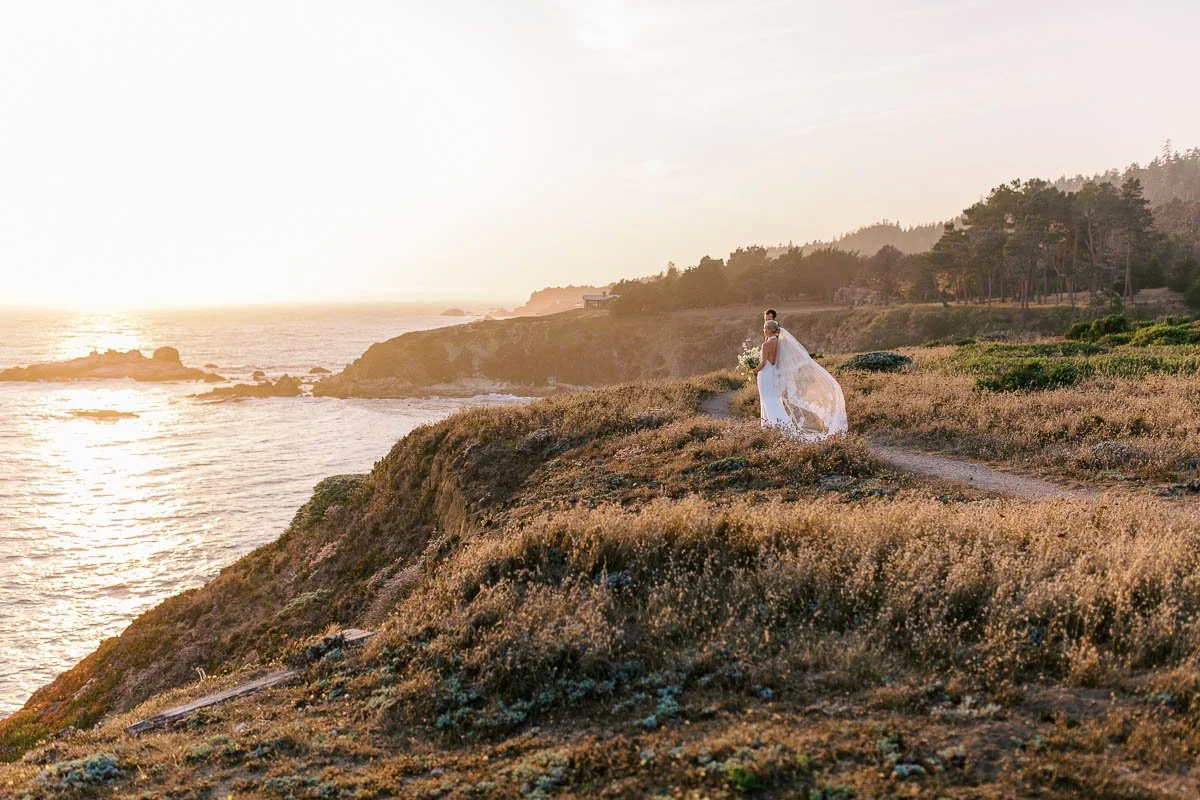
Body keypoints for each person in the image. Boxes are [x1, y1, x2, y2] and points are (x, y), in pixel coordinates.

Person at [754, 318, 847, 441]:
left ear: (771, 330)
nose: (764, 330)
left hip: (765, 372)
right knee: (771, 398)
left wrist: (753, 370)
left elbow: (763, 362)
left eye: (766, 328)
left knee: (767, 398)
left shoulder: (766, 344)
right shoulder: (777, 341)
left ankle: (772, 425)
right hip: (771, 372)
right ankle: (777, 425)